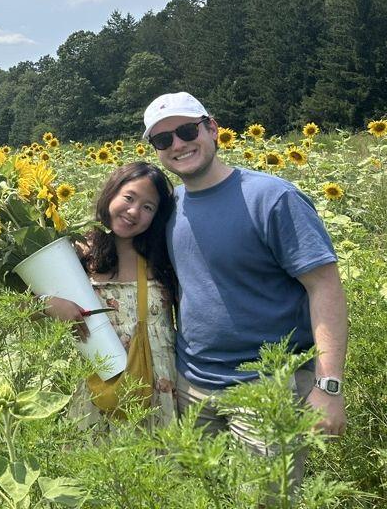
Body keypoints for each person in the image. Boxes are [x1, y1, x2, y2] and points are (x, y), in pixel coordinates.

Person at [143, 91, 348, 483]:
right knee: (203, 495)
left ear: (213, 128)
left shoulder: (272, 197)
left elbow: (325, 288)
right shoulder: (170, 207)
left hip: (266, 388)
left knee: (266, 499)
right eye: (163, 139)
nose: (178, 144)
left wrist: (328, 386)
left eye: (187, 130)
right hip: (192, 384)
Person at [43, 161, 178, 429]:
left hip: (157, 384)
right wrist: (49, 305)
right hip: (99, 380)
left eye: (148, 207)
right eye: (129, 198)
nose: (133, 211)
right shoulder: (79, 249)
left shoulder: (163, 254)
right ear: (111, 193)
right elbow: (23, 304)